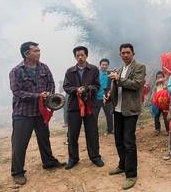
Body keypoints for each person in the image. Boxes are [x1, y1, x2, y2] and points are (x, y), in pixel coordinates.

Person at [9, 42, 65, 185]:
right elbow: (17, 92)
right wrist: (38, 96)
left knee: (44, 138)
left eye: (39, 50)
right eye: (36, 51)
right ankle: (17, 172)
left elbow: (51, 83)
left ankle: (48, 162)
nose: (39, 53)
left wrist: (49, 94)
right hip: (23, 113)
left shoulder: (44, 67)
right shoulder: (16, 71)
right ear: (27, 54)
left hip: (40, 113)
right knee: (19, 144)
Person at [105, 43, 146, 190]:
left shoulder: (140, 67)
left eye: (128, 52)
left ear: (133, 54)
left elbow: (136, 84)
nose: (126, 55)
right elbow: (115, 87)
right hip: (117, 109)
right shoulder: (120, 69)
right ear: (120, 55)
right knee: (119, 140)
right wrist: (109, 96)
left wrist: (118, 79)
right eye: (123, 53)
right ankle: (122, 165)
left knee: (129, 142)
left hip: (130, 110)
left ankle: (131, 174)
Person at [63, 46, 103, 169]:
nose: (80, 57)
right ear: (75, 57)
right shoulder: (70, 71)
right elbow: (66, 86)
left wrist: (88, 89)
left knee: (92, 132)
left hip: (90, 105)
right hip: (74, 106)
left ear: (86, 56)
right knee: (72, 134)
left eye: (82, 55)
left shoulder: (94, 69)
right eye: (77, 55)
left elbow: (97, 85)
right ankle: (73, 158)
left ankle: (95, 156)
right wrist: (76, 90)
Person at [94, 59, 114, 135]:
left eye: (106, 65)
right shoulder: (96, 74)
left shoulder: (110, 74)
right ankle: (94, 131)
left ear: (108, 66)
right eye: (103, 64)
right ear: (100, 65)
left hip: (107, 98)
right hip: (96, 98)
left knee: (109, 114)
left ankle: (110, 130)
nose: (104, 66)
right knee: (95, 115)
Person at [152, 71, 169, 136]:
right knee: (156, 115)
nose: (159, 79)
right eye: (158, 77)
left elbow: (168, 91)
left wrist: (165, 85)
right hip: (156, 103)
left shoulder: (166, 84)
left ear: (163, 77)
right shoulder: (156, 85)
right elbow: (154, 93)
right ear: (156, 78)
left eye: (161, 77)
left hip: (164, 102)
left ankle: (168, 130)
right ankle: (157, 129)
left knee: (165, 116)